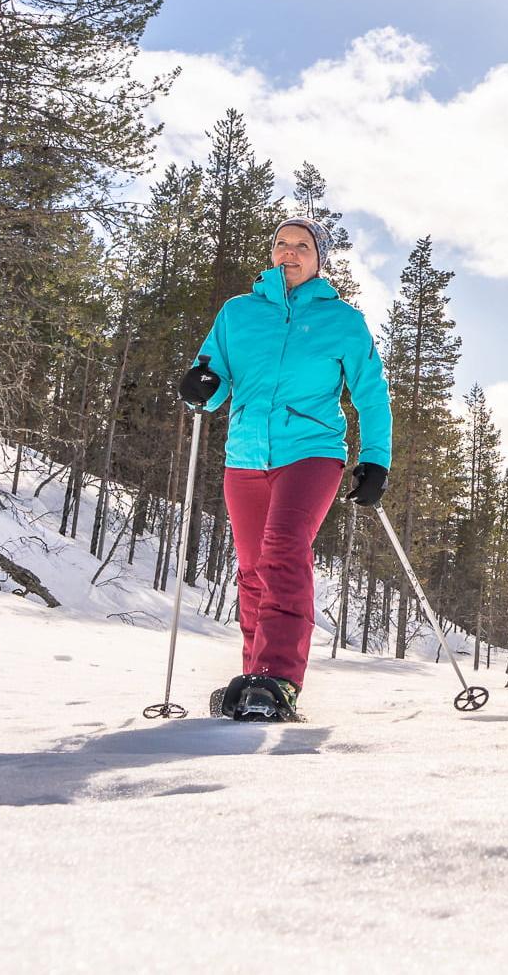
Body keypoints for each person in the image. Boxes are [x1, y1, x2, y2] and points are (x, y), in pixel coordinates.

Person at [178, 217, 392, 722]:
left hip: (312, 452)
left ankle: (278, 678)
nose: (289, 253)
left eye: (302, 246)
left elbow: (371, 395)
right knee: (253, 570)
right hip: (246, 456)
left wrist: (375, 459)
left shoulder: (344, 321)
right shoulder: (238, 313)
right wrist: (201, 386)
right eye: (281, 244)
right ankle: (254, 676)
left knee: (283, 551)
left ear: (320, 258)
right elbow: (214, 377)